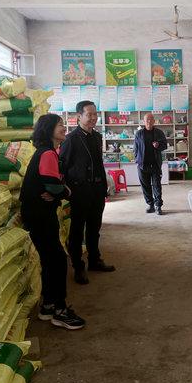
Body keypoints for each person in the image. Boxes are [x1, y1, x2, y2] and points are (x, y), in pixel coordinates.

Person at [20, 114, 86, 330]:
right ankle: (60, 310)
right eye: (59, 125)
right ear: (48, 129)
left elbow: (53, 185)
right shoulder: (47, 153)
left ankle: (48, 305)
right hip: (40, 215)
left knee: (50, 260)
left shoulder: (47, 152)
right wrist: (65, 191)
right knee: (57, 260)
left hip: (36, 214)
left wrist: (57, 189)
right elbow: (54, 185)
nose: (64, 128)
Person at [60, 100, 115, 285]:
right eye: (89, 114)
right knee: (77, 231)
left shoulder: (97, 137)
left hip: (97, 191)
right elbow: (62, 166)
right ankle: (78, 267)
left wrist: (104, 187)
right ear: (79, 116)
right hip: (79, 192)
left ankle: (94, 260)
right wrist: (66, 189)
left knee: (94, 228)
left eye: (95, 114)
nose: (93, 118)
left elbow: (99, 164)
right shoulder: (71, 139)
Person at [134, 113, 168, 215]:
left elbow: (165, 145)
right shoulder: (139, 134)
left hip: (155, 165)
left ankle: (158, 206)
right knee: (145, 186)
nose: (149, 121)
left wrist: (158, 145)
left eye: (150, 119)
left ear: (154, 121)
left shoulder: (159, 132)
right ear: (144, 122)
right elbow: (135, 148)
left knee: (157, 186)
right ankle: (151, 205)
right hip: (142, 165)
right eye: (147, 120)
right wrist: (137, 160)